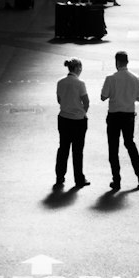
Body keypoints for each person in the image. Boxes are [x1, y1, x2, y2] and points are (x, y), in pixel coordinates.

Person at [100, 50, 139, 191]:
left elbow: (103, 96)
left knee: (113, 148)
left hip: (114, 116)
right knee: (130, 143)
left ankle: (117, 180)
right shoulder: (135, 78)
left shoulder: (110, 78)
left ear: (117, 62)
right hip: (128, 115)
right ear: (127, 62)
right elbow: (138, 98)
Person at [54, 58, 89, 190]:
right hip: (78, 121)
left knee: (63, 148)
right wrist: (82, 112)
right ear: (77, 68)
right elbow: (86, 102)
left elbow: (59, 100)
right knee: (77, 151)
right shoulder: (80, 83)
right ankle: (79, 179)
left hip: (63, 118)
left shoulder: (60, 82)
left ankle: (60, 176)